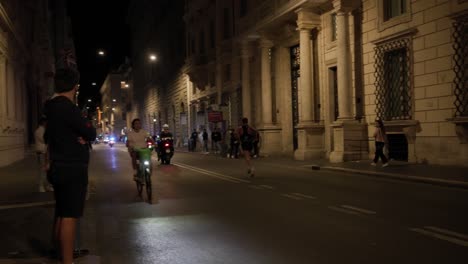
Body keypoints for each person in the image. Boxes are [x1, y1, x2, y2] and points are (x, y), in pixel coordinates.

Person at [44, 68, 96, 264]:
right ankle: (67, 261)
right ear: (76, 87)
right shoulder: (69, 108)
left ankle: (59, 254)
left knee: (61, 210)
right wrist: (83, 132)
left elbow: (50, 137)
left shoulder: (51, 108)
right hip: (72, 167)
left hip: (58, 166)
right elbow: (90, 133)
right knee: (69, 215)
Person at [35, 117, 53, 192]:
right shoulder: (40, 130)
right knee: (43, 170)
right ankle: (41, 186)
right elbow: (44, 140)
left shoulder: (42, 130)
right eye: (46, 122)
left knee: (47, 170)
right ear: (43, 122)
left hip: (44, 152)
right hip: (42, 152)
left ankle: (48, 185)